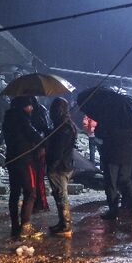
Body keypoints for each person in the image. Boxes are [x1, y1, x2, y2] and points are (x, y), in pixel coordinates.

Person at [1, 97, 43, 238]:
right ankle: (25, 226)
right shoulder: (22, 120)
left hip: (12, 160)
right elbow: (34, 136)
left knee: (14, 193)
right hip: (25, 161)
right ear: (24, 107)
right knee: (30, 192)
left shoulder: (8, 119)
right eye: (29, 106)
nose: (31, 109)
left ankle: (15, 226)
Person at [98, 110, 132, 221]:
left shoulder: (108, 120)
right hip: (127, 155)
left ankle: (113, 210)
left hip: (112, 155)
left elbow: (99, 133)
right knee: (125, 179)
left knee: (111, 183)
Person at [46, 98, 76, 237]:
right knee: (59, 194)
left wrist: (53, 164)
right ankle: (62, 222)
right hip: (65, 164)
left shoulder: (64, 128)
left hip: (60, 166)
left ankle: (66, 224)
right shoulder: (64, 126)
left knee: (61, 194)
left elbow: (59, 149)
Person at [28, 96, 52, 212]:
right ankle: (39, 202)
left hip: (37, 148)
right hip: (37, 148)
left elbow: (44, 129)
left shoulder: (37, 113)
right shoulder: (39, 111)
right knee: (36, 178)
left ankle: (41, 203)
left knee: (37, 178)